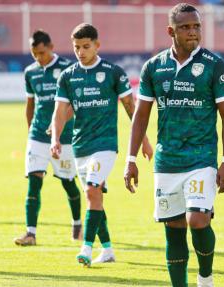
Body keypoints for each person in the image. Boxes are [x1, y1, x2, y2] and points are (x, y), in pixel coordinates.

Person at [124, 3, 224, 287]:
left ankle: (206, 280)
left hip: (201, 158)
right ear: (170, 31)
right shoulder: (153, 67)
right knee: (174, 230)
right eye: (186, 27)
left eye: (197, 26)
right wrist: (130, 159)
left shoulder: (214, 65)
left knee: (198, 220)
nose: (193, 32)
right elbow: (141, 115)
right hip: (167, 160)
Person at [51, 23, 153, 266]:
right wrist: (55, 138)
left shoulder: (113, 72)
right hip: (80, 145)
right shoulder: (67, 76)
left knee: (91, 190)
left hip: (106, 144)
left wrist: (145, 142)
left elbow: (132, 108)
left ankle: (86, 248)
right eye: (76, 47)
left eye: (86, 46)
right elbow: (60, 111)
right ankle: (107, 250)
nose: (80, 51)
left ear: (98, 45)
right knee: (94, 197)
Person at [14, 30, 82, 246]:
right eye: (34, 54)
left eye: (41, 53)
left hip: (65, 137)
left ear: (51, 46)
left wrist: (58, 126)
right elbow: (30, 105)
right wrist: (30, 132)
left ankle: (78, 223)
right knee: (34, 182)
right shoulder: (30, 72)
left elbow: (74, 102)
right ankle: (30, 233)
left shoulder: (68, 68)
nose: (38, 58)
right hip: (37, 136)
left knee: (68, 182)